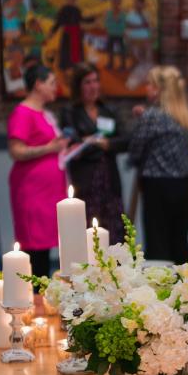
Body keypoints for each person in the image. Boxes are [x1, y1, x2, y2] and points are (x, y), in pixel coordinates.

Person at [129, 65, 188, 265]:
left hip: (158, 186)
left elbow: (135, 150)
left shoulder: (152, 116)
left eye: (149, 84)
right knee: (179, 242)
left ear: (159, 89)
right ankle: (185, 290)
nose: (146, 88)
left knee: (158, 245)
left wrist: (141, 121)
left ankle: (161, 292)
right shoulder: (185, 116)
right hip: (184, 185)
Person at [7, 64, 69, 277]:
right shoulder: (23, 112)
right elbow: (16, 150)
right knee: (35, 246)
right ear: (38, 84)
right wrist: (49, 148)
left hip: (50, 190)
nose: (56, 88)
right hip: (32, 190)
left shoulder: (45, 113)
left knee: (48, 244)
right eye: (52, 83)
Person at [60, 62, 127, 243]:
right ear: (79, 86)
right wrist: (95, 144)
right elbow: (73, 144)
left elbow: (125, 141)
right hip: (85, 180)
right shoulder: (70, 112)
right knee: (88, 232)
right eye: (87, 82)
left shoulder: (108, 110)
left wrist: (103, 143)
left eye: (96, 81)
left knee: (114, 232)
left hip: (109, 180)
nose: (93, 86)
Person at [50, 0, 93, 71]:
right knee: (68, 53)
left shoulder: (76, 9)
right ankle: (69, 69)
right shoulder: (64, 9)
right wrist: (53, 31)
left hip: (75, 33)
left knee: (75, 54)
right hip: (69, 33)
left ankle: (76, 68)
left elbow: (81, 20)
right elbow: (59, 22)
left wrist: (93, 19)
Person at [125, 0, 152, 67]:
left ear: (142, 3)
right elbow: (128, 26)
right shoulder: (130, 14)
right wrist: (140, 26)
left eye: (138, 2)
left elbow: (147, 26)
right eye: (135, 2)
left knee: (146, 58)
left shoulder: (146, 14)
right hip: (133, 39)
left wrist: (141, 15)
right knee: (135, 58)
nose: (136, 4)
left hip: (144, 39)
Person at [105, 0, 127, 71]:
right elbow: (106, 23)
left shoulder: (123, 13)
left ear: (120, 3)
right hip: (111, 33)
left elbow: (124, 24)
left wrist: (123, 30)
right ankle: (110, 64)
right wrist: (108, 30)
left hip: (120, 34)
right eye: (114, 2)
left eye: (117, 1)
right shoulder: (108, 12)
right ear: (112, 3)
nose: (115, 3)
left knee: (122, 51)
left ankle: (123, 66)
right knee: (110, 50)